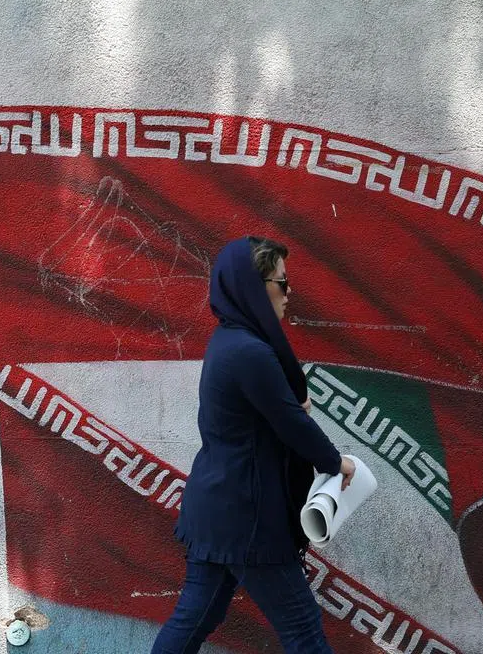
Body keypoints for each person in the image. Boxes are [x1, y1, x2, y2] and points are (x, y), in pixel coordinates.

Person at [150, 236, 356, 654]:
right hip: (248, 518)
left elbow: (270, 416)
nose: (289, 293)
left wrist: (294, 409)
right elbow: (291, 424)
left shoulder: (229, 341)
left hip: (218, 509)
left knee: (195, 619)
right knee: (303, 630)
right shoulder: (248, 351)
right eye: (282, 282)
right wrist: (336, 464)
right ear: (254, 286)